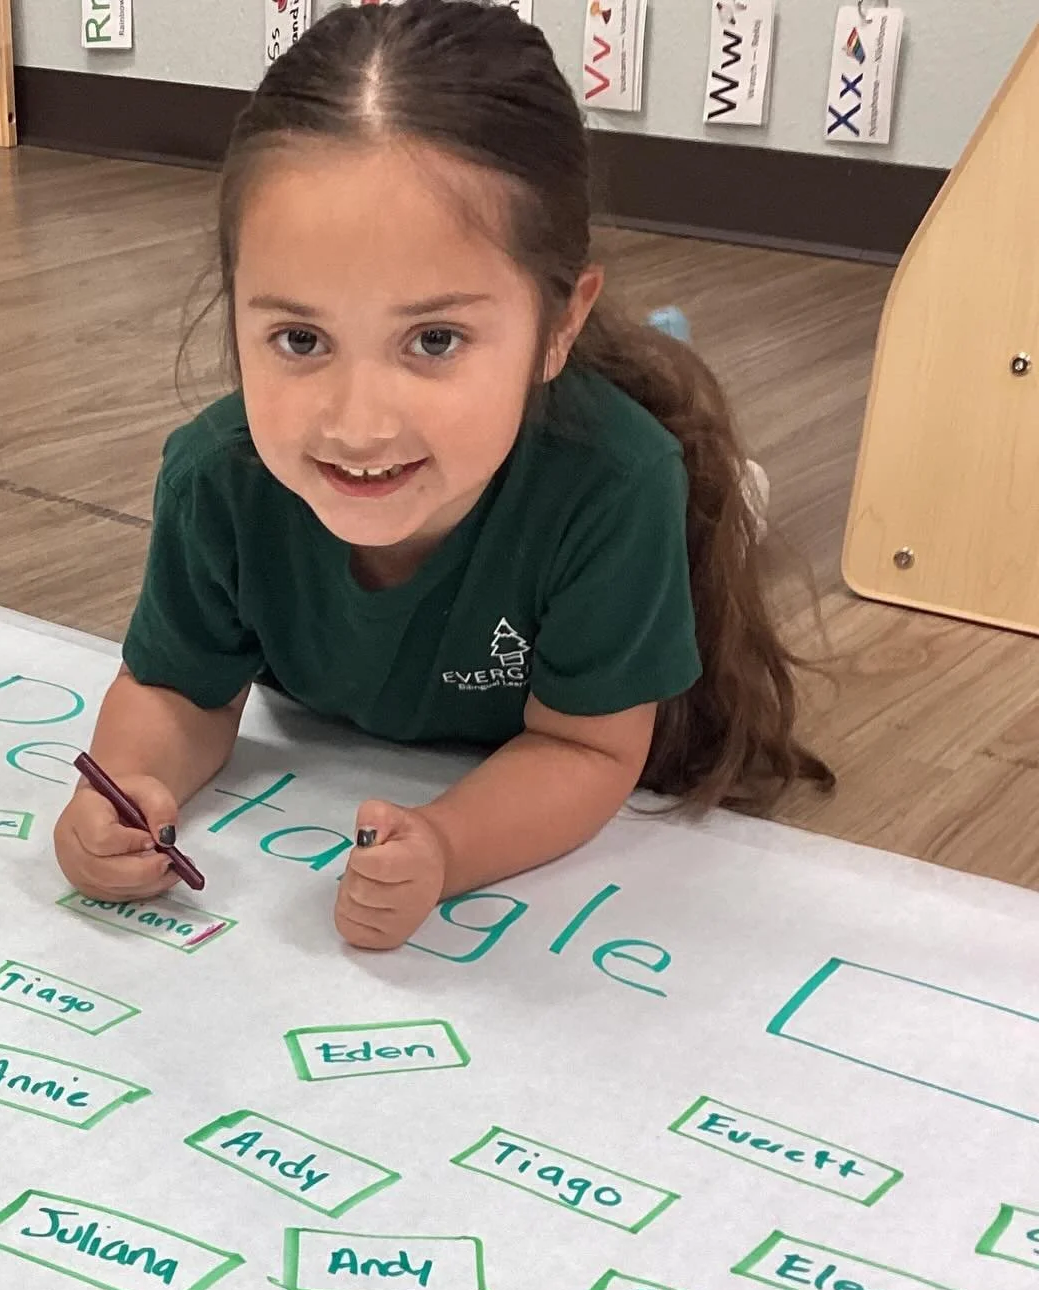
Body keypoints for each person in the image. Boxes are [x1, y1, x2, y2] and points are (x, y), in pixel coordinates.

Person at [53, 0, 832, 950]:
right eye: (299, 339)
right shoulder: (216, 476)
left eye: (434, 339)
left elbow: (585, 743)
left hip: (593, 469)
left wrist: (450, 846)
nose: (358, 422)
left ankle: (706, 445)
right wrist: (133, 790)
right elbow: (179, 692)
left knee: (674, 461)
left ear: (557, 325)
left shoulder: (616, 486)